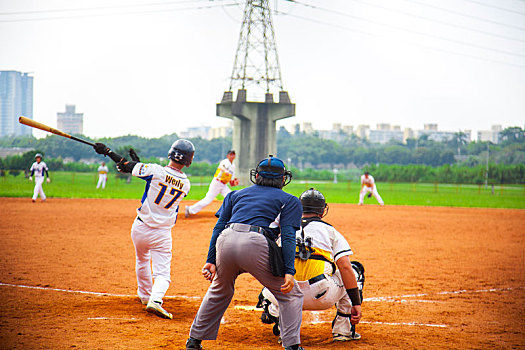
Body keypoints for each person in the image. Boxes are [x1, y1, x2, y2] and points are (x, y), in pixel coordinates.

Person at [186, 156, 306, 350]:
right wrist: (289, 272)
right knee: (290, 294)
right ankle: (292, 346)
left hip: (226, 240)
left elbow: (218, 228)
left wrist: (210, 260)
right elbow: (289, 237)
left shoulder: (234, 195)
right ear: (283, 179)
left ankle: (194, 340)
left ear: (256, 176)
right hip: (255, 243)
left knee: (220, 289)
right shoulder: (289, 200)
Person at [93, 139, 194, 319]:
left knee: (142, 260)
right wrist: (138, 165)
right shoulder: (186, 184)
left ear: (171, 153)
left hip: (140, 227)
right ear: (188, 160)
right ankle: (155, 300)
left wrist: (107, 151)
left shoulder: (155, 170)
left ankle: (145, 296)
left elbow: (124, 166)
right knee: (163, 273)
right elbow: (158, 179)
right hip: (162, 232)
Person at [258, 188, 364, 342]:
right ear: (322, 211)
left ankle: (278, 318)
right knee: (354, 271)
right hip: (321, 295)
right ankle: (343, 330)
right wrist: (357, 303)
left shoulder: (284, 229)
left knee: (272, 279)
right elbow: (345, 266)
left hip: (286, 293)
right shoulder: (330, 231)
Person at [185, 150, 238, 217]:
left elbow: (231, 183)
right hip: (217, 183)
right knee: (207, 200)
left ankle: (233, 213)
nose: (232, 156)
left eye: (233, 154)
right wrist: (225, 171)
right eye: (231, 154)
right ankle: (189, 209)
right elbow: (221, 168)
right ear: (227, 156)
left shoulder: (233, 166)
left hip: (223, 185)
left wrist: (235, 182)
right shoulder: (225, 162)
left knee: (231, 197)